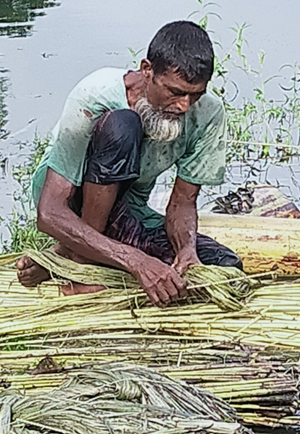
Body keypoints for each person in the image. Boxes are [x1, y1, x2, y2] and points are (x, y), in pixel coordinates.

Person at [16, 20, 242, 307]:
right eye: (175, 92)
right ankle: (81, 266)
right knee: (123, 126)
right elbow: (49, 213)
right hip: (74, 204)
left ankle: (66, 254)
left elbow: (183, 203)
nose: (184, 105)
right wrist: (137, 262)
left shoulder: (209, 114)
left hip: (125, 214)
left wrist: (187, 252)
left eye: (195, 94)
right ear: (147, 70)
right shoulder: (96, 94)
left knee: (224, 266)